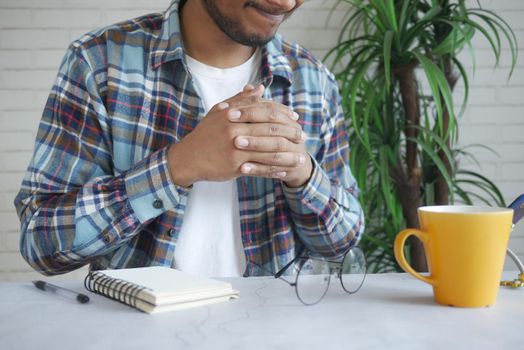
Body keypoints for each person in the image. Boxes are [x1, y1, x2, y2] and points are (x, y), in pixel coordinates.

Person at [14, 0, 364, 277]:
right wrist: (175, 167)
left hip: (274, 333)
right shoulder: (100, 63)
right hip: (140, 335)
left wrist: (303, 174)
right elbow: (41, 243)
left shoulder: (313, 80)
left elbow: (343, 243)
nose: (286, 3)